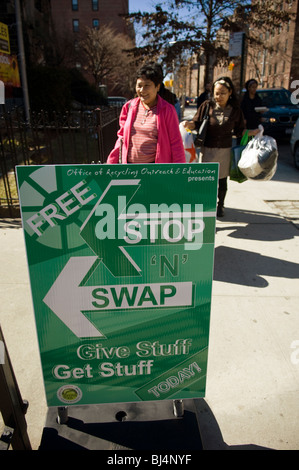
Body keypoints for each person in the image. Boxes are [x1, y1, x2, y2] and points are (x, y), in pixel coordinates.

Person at [183, 76, 259, 217]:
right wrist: (189, 124)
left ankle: (220, 205)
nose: (219, 96)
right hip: (208, 149)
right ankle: (207, 206)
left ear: (230, 92)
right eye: (216, 93)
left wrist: (251, 132)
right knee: (207, 181)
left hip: (225, 150)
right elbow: (197, 122)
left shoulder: (236, 110)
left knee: (222, 180)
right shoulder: (206, 106)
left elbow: (239, 130)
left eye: (223, 93)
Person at [106, 62, 186, 164]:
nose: (142, 90)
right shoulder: (128, 107)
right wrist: (111, 163)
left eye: (147, 85)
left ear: (157, 87)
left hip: (154, 172)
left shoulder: (167, 110)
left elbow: (176, 143)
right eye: (139, 85)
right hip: (130, 171)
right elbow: (121, 138)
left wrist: (179, 172)